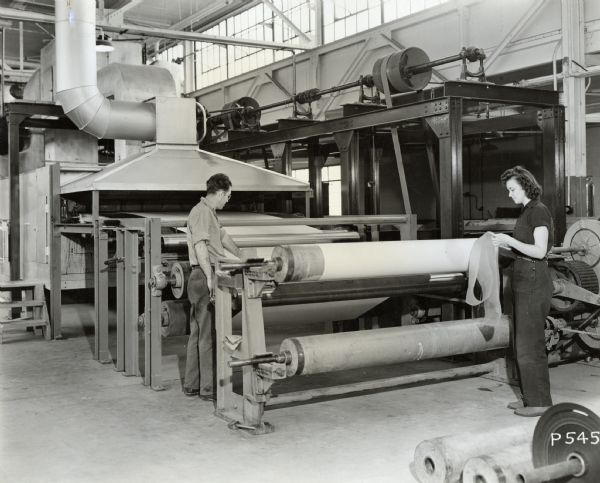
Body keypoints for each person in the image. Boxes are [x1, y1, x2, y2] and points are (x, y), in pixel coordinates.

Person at [491, 166, 554, 417]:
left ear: (526, 186)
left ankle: (540, 402)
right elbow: (522, 250)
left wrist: (509, 241)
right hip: (523, 279)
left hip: (534, 281)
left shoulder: (538, 211)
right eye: (508, 190)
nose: (509, 194)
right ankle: (529, 397)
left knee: (530, 344)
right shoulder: (526, 212)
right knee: (521, 342)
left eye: (512, 189)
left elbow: (539, 251)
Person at [183, 173, 242, 400]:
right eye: (227, 195)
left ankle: (192, 384)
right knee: (208, 335)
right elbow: (200, 246)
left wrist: (240, 255)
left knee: (198, 333)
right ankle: (209, 389)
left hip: (206, 273)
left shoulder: (210, 214)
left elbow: (223, 237)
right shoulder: (199, 212)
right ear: (218, 193)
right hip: (203, 275)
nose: (227, 200)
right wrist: (209, 276)